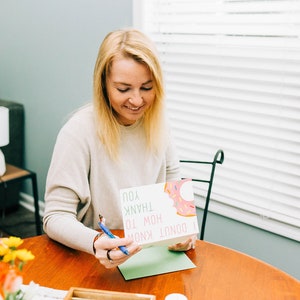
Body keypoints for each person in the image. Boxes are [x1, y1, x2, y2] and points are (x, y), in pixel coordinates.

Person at [43, 28, 196, 269]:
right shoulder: (78, 132)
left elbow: (175, 199)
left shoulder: (160, 127)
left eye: (147, 88)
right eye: (123, 89)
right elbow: (55, 217)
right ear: (103, 85)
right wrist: (95, 241)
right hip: (92, 262)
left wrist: (183, 233)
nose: (136, 101)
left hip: (151, 260)